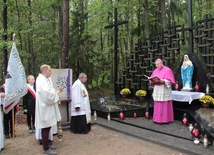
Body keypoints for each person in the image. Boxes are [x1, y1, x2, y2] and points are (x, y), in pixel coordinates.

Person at [35, 64, 61, 155]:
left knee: (49, 126)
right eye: (50, 70)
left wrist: (54, 93)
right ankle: (45, 148)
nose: (51, 72)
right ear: (45, 71)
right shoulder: (41, 81)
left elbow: (51, 91)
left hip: (48, 106)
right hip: (44, 107)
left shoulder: (46, 79)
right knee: (45, 127)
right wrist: (56, 94)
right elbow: (48, 95)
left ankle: (48, 144)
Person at [149, 58, 175, 124]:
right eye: (156, 65)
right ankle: (157, 119)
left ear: (161, 63)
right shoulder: (155, 70)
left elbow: (170, 81)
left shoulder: (167, 70)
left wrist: (164, 81)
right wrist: (151, 80)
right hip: (157, 89)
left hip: (164, 89)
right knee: (157, 104)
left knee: (165, 104)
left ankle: (165, 119)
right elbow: (152, 79)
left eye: (158, 64)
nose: (157, 66)